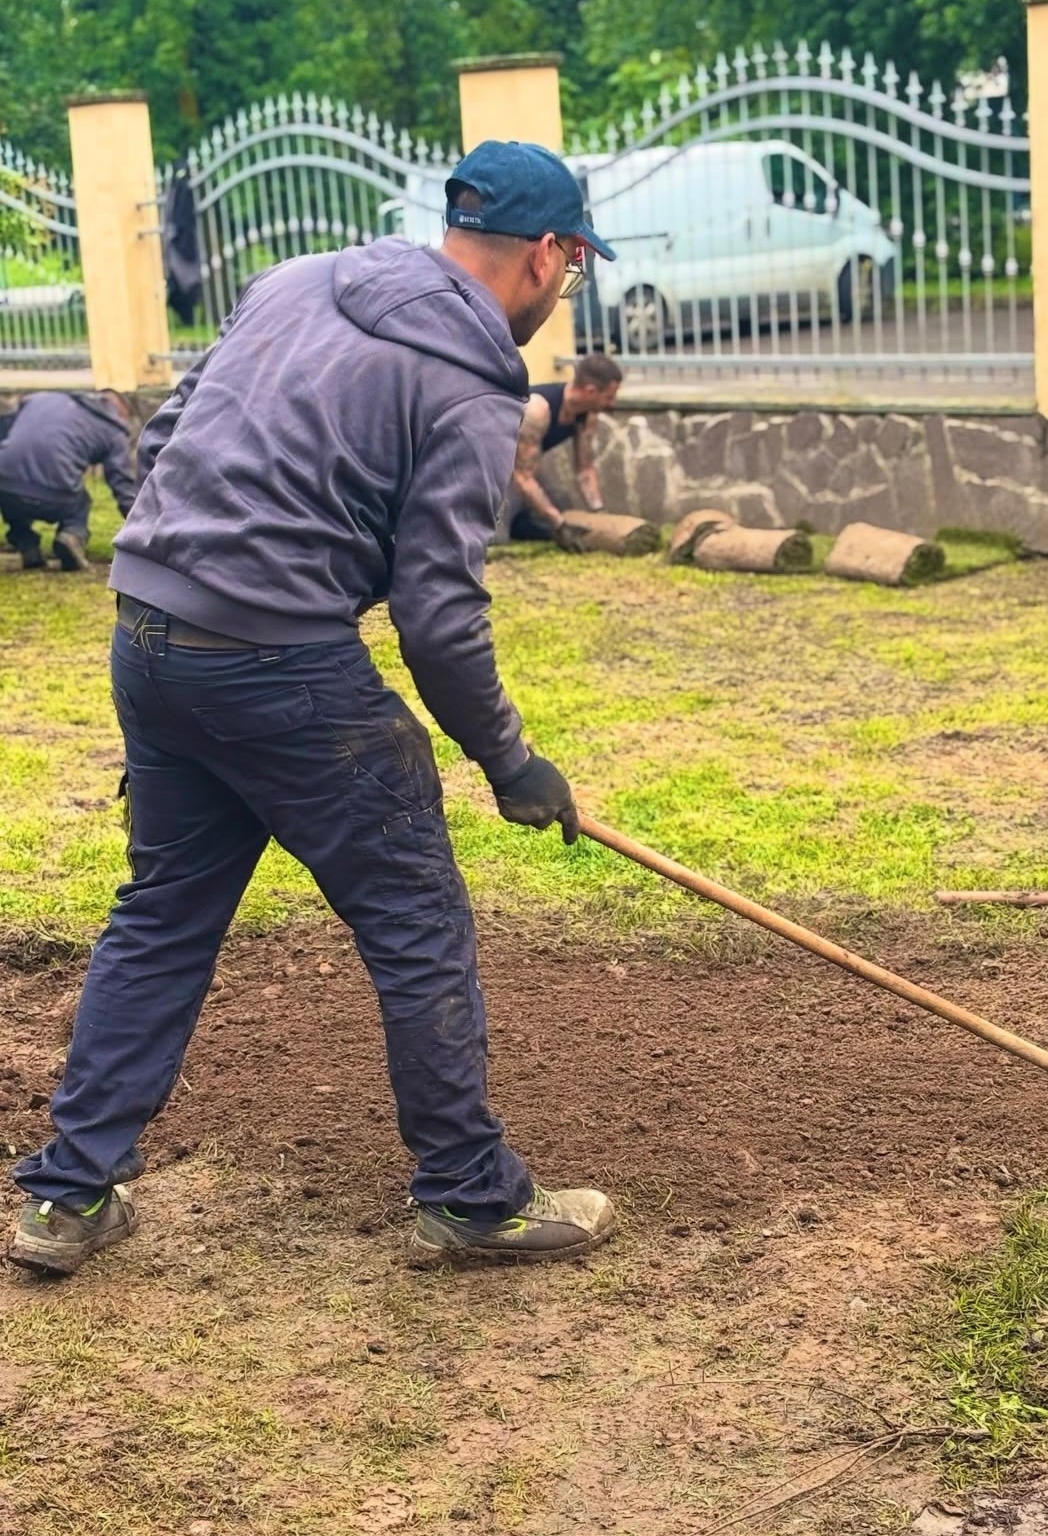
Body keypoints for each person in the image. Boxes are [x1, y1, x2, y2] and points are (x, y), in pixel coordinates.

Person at [7, 139, 620, 1277]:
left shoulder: (294, 281)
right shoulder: (476, 381)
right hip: (280, 663)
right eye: (573, 267)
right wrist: (510, 762)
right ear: (546, 254)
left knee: (163, 913)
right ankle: (471, 1196)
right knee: (414, 916)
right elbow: (440, 611)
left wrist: (202, 560)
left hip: (147, 636)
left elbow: (159, 442)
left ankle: (64, 1196)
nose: (563, 290)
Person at [0, 390, 135, 571]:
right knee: (81, 505)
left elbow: (7, 427)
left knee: (13, 506)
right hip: (56, 494)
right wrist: (139, 523)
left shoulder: (40, 399)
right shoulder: (113, 430)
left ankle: (27, 546)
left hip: (7, 485)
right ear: (121, 412)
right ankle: (72, 536)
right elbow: (122, 483)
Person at [508, 354, 624, 550]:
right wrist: (559, 524)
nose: (612, 403)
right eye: (609, 397)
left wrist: (600, 515)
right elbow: (521, 476)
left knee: (560, 503)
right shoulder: (537, 409)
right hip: (487, 467)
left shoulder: (587, 416)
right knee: (499, 534)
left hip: (520, 469)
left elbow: (585, 470)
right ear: (590, 391)